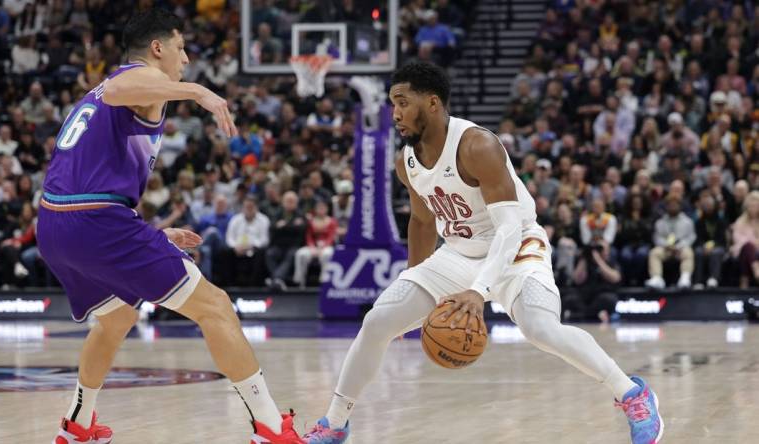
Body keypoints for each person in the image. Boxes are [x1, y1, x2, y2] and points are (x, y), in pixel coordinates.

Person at [304, 62, 663, 444]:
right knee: (378, 322)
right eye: (393, 103)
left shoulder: (478, 146)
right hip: (458, 253)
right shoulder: (405, 162)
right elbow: (423, 223)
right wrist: (412, 281)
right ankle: (335, 423)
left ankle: (632, 393)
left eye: (403, 103)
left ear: (432, 103)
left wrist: (479, 291)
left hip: (517, 248)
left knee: (541, 329)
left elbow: (508, 230)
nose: (395, 113)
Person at [37, 9, 303, 444]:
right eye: (180, 49)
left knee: (117, 318)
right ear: (157, 49)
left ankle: (79, 424)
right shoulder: (135, 82)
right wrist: (198, 92)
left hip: (56, 225)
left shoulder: (112, 94)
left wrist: (149, 233)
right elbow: (123, 87)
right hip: (95, 222)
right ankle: (273, 429)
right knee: (215, 306)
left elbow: (94, 173)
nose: (185, 60)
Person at [646, 195, 696, 289]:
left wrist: (679, 246)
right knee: (654, 253)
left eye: (675, 205)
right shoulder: (660, 222)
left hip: (681, 249)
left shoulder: (687, 222)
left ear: (680, 206)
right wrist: (666, 245)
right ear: (666, 206)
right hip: (666, 249)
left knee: (688, 252)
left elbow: (691, 237)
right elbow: (657, 237)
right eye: (670, 205)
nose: (673, 207)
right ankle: (657, 278)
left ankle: (685, 278)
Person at [293, 199, 337, 288]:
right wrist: (312, 247)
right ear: (315, 210)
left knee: (327, 254)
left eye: (323, 208)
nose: (321, 210)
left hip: (327, 246)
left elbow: (331, 237)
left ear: (327, 209)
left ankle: (324, 281)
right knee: (300, 254)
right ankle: (299, 281)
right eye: (319, 208)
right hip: (313, 247)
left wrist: (323, 247)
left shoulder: (332, 221)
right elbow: (308, 236)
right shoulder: (311, 221)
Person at [693, 194, 727, 288]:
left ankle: (714, 279)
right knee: (698, 252)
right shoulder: (699, 222)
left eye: (710, 205)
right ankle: (698, 281)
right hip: (702, 246)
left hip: (718, 245)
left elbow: (722, 238)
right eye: (706, 205)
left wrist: (712, 246)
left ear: (714, 206)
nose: (708, 207)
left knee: (716, 252)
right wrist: (704, 246)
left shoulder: (721, 221)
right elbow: (697, 238)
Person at [730, 191, 759, 288]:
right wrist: (753, 242)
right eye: (751, 206)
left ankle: (744, 280)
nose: (753, 208)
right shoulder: (740, 221)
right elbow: (738, 239)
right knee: (748, 247)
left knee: (750, 248)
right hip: (742, 250)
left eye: (756, 206)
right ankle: (756, 271)